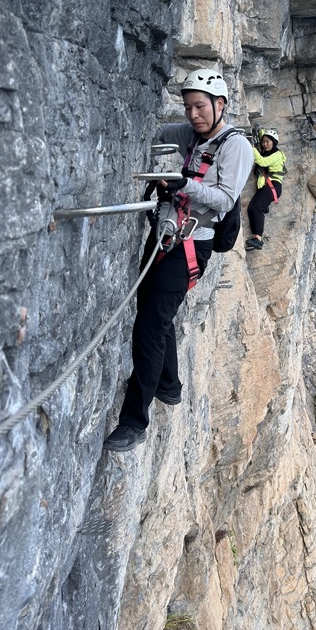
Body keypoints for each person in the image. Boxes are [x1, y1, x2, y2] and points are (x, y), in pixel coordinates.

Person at [104, 68, 252, 452]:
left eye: (200, 107)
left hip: (190, 243)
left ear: (220, 105)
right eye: (188, 108)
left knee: (149, 328)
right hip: (164, 235)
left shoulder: (236, 147)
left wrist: (184, 183)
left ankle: (134, 421)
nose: (192, 115)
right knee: (155, 314)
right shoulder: (188, 135)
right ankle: (168, 385)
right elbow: (155, 134)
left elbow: (224, 198)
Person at [245, 129, 287, 250]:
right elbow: (263, 137)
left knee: (257, 208)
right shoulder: (268, 152)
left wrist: (251, 146)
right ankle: (255, 237)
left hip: (273, 185)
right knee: (251, 208)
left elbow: (263, 162)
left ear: (274, 142)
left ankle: (258, 239)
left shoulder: (277, 154)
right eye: (263, 141)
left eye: (268, 141)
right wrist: (260, 132)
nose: (264, 144)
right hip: (267, 186)